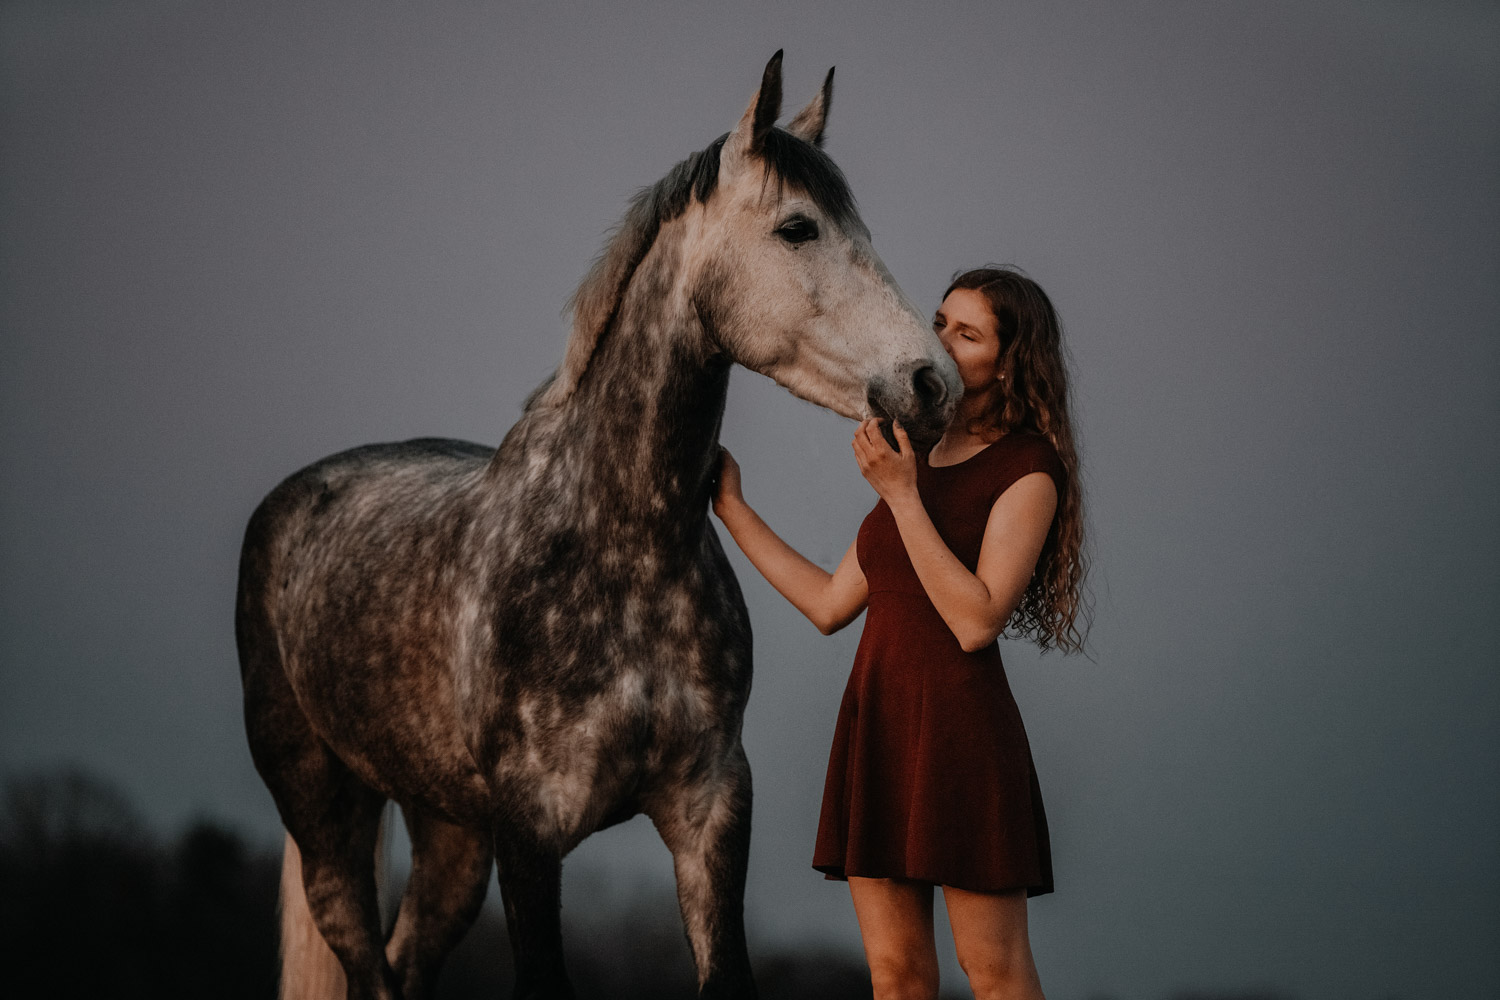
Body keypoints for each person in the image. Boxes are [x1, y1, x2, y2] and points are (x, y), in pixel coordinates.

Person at [712, 266, 1089, 1000]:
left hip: (961, 734)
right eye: (941, 320)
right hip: (878, 729)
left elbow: (977, 620)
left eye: (968, 333)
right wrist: (732, 507)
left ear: (1007, 361)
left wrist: (901, 495)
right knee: (897, 978)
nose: (942, 339)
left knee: (995, 974)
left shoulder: (1027, 470)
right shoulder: (912, 459)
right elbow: (828, 603)